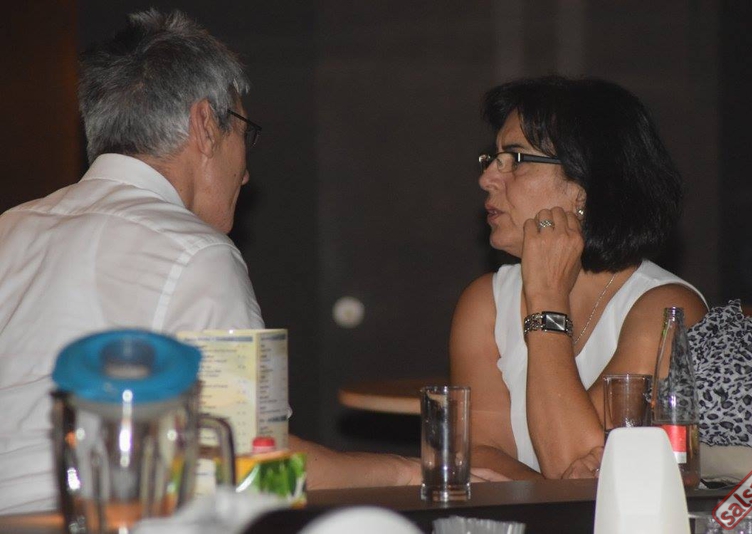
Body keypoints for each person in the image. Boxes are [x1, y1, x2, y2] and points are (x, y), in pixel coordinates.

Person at [0, 9, 506, 515]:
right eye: (244, 132)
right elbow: (249, 469)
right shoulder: (194, 251)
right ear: (205, 124)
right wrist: (406, 473)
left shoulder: (10, 227)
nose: (245, 174)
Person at [449, 76, 708, 481]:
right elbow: (481, 455)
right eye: (492, 159)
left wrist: (547, 298)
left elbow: (575, 460)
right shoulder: (486, 302)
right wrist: (547, 503)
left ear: (583, 187)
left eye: (515, 159)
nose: (487, 179)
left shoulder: (667, 310)